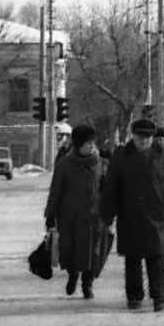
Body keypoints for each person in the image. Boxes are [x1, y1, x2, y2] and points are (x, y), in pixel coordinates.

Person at [101, 114, 164, 313]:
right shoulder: (121, 156)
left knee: (157, 257)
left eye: (148, 137)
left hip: (158, 214)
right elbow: (111, 188)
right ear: (133, 136)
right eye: (140, 137)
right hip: (130, 214)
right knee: (132, 258)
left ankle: (159, 297)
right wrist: (108, 215)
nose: (145, 140)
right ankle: (134, 296)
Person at [45, 123, 108, 303]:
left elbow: (107, 189)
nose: (91, 146)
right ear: (78, 145)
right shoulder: (65, 164)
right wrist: (50, 215)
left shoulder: (101, 163)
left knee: (92, 253)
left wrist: (109, 211)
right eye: (87, 144)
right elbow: (55, 190)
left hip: (94, 217)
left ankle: (87, 284)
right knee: (71, 251)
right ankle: (73, 275)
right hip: (70, 217)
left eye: (93, 143)